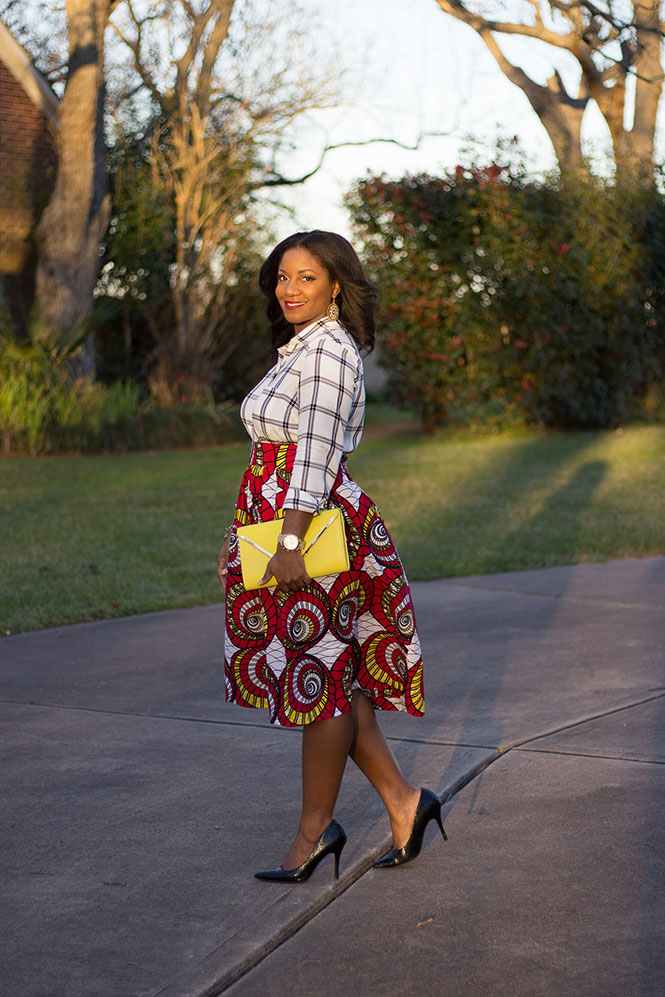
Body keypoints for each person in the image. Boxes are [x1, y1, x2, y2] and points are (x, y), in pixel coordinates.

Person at [217, 230, 446, 882]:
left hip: (313, 530)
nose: (288, 288)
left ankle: (315, 831)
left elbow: (313, 456)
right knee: (334, 680)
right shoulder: (302, 348)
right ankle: (405, 803)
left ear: (335, 285)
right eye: (282, 276)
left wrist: (288, 543)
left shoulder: (327, 352)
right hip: (288, 523)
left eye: (305, 277)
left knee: (318, 683)